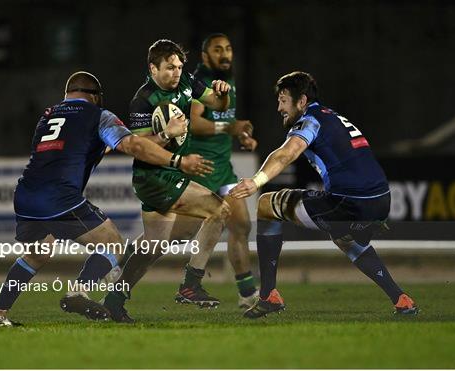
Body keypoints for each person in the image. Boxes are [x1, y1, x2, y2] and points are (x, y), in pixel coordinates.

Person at [0, 71, 212, 327]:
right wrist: (176, 158)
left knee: (36, 256)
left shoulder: (48, 116)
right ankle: (78, 291)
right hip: (59, 197)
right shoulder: (98, 115)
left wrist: (163, 135)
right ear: (95, 97)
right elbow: (132, 146)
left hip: (25, 196)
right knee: (113, 244)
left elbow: (105, 145)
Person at [230, 71, 419, 318]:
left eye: (283, 99)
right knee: (344, 238)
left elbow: (287, 153)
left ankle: (268, 296)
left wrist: (257, 181)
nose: (279, 107)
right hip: (380, 200)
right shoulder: (333, 117)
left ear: (302, 101)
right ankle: (401, 299)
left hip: (350, 201)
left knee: (267, 204)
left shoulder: (310, 120)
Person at [101, 39, 232, 322]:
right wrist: (167, 134)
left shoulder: (185, 80)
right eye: (170, 67)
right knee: (219, 211)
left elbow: (217, 103)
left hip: (170, 174)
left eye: (179, 66)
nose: (176, 72)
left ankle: (115, 297)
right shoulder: (143, 99)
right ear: (153, 68)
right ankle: (191, 284)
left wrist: (223, 92)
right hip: (154, 176)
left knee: (160, 243)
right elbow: (138, 145)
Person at [188, 33, 259, 308]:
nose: (225, 54)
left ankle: (246, 293)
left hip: (223, 171)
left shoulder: (227, 82)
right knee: (172, 236)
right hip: (199, 168)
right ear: (205, 56)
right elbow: (193, 123)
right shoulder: (200, 82)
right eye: (218, 49)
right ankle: (122, 275)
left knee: (240, 225)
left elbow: (224, 122)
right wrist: (231, 128)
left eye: (229, 48)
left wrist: (241, 136)